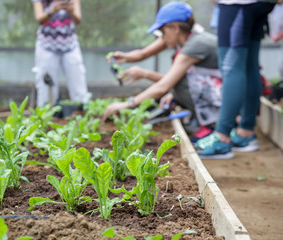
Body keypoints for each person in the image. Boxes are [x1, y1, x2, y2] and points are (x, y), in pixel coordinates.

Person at [102, 1, 222, 141]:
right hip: (218, 93)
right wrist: (125, 57)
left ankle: (213, 125)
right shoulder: (191, 37)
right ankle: (205, 122)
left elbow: (164, 85)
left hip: (223, 101)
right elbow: (144, 54)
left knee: (176, 84)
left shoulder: (195, 45)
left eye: (162, 31)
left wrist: (127, 103)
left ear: (175, 28)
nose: (161, 37)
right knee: (175, 87)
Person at [195, 0, 282, 159]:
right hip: (260, 4)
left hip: (238, 3)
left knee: (231, 66)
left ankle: (221, 136)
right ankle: (245, 132)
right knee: (249, 66)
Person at [31, 0, 90, 107]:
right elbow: (39, 19)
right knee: (46, 88)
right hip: (46, 45)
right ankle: (46, 117)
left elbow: (78, 19)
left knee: (79, 86)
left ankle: (83, 114)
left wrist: (71, 11)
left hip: (70, 44)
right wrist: (52, 10)